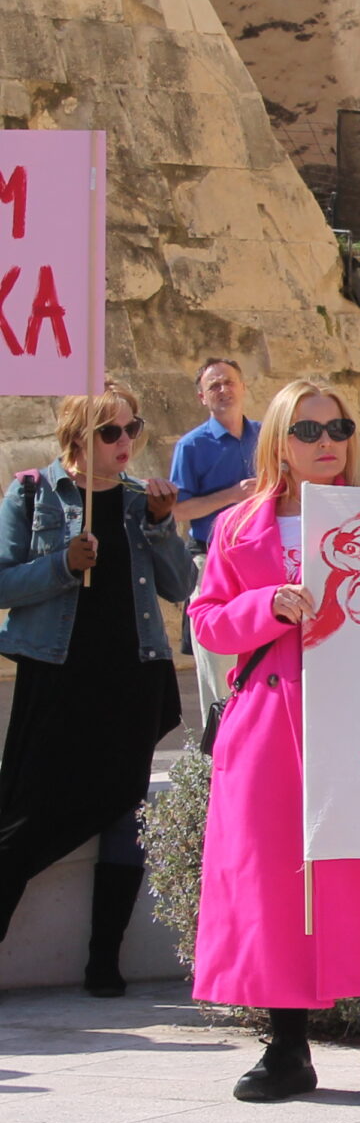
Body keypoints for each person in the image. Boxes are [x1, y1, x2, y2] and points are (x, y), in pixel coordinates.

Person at [191, 379, 360, 1103]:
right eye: (308, 429)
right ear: (279, 439)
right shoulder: (239, 527)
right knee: (275, 884)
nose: (327, 441)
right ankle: (286, 1048)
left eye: (337, 426)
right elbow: (209, 621)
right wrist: (265, 604)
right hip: (269, 727)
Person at [0, 382, 196, 996]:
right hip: (56, 676)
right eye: (109, 432)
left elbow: (179, 586)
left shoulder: (144, 501)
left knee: (123, 813)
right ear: (76, 437)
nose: (124, 444)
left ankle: (102, 960)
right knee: (25, 815)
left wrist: (165, 525)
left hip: (132, 676)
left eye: (131, 430)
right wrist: (61, 566)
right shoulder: (34, 492)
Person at [169, 358, 261, 731]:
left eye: (229, 382)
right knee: (217, 662)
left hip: (261, 559)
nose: (223, 390)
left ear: (242, 386)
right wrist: (232, 495)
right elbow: (178, 509)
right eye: (214, 387)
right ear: (202, 398)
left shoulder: (267, 435)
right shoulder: (191, 446)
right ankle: (216, 749)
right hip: (213, 561)